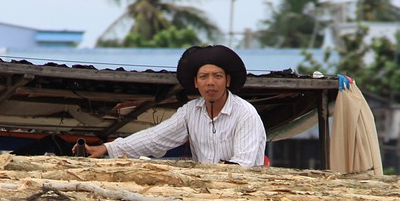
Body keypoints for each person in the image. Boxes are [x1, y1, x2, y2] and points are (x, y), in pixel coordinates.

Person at [74, 44, 267, 166]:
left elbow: (243, 165)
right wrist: (107, 149)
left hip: (242, 198)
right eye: (203, 77)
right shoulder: (190, 112)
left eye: (217, 76)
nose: (210, 82)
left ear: (227, 80)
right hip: (205, 197)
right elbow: (154, 138)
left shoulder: (246, 114)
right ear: (195, 82)